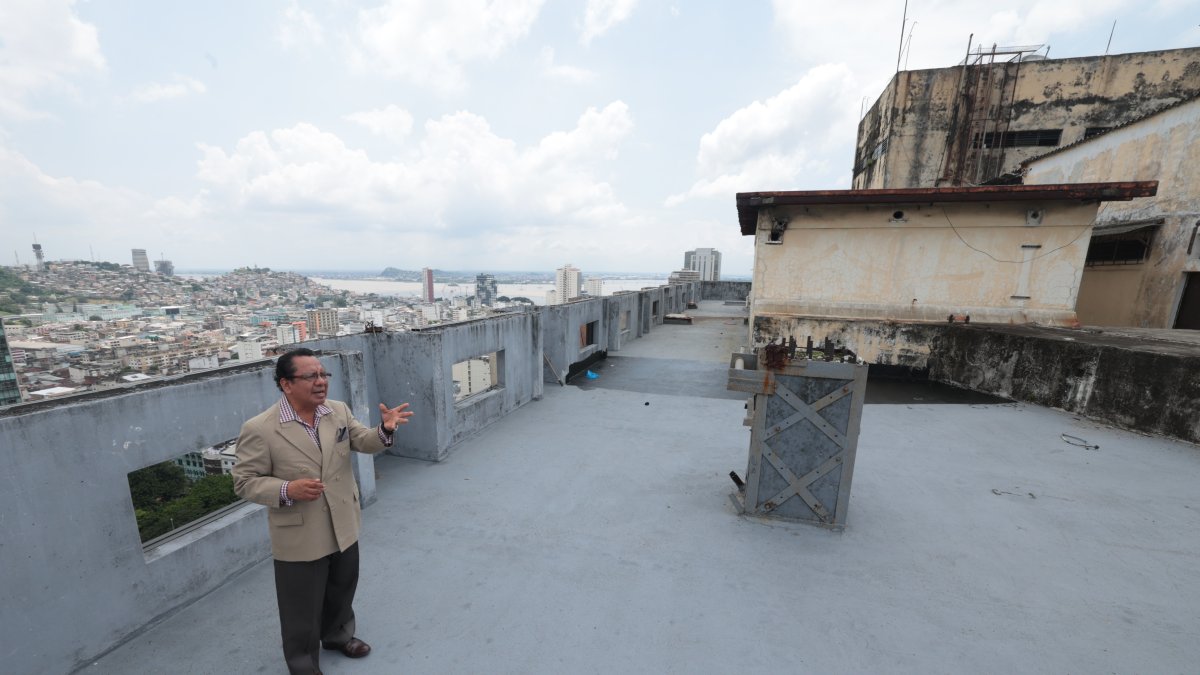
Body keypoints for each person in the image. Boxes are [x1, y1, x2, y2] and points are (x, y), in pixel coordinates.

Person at [233, 348, 413, 675]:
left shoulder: (337, 411)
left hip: (343, 520)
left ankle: (338, 636)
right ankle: (303, 662)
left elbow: (363, 441)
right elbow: (244, 482)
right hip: (300, 531)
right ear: (286, 384)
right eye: (310, 376)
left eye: (323, 375)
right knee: (300, 605)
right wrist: (288, 489)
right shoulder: (260, 428)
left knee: (342, 587)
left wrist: (385, 429)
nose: (321, 382)